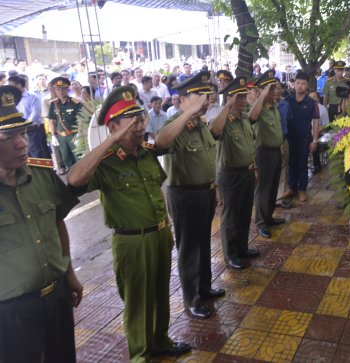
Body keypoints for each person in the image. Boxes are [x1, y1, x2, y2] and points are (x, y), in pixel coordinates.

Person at [67, 86, 191, 361]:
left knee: (160, 294)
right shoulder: (105, 162)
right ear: (113, 127)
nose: (138, 125)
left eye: (140, 117)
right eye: (130, 121)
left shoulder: (146, 153)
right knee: (138, 303)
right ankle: (141, 355)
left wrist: (167, 226)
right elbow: (74, 180)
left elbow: (159, 189)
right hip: (131, 242)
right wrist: (112, 141)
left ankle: (160, 341)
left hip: (159, 234)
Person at [0, 85, 82, 363]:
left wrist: (69, 273)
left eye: (22, 132)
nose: (22, 142)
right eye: (8, 136)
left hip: (57, 295)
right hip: (12, 310)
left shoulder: (41, 172)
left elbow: (58, 223)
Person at [155, 72, 226, 320]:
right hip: (184, 195)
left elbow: (207, 159)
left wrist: (214, 189)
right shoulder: (175, 124)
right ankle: (192, 299)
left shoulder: (200, 124)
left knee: (203, 243)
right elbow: (160, 143)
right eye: (199, 95)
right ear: (182, 99)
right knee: (189, 248)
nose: (206, 99)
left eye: (206, 95)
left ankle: (204, 288)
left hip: (204, 192)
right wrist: (187, 113)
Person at [209, 76, 259, 270]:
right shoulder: (223, 119)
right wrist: (227, 106)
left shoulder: (244, 119)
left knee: (245, 213)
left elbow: (250, 145)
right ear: (229, 98)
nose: (243, 100)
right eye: (238, 97)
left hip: (247, 172)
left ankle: (242, 248)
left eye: (243, 96)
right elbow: (214, 131)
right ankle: (230, 254)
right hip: (230, 175)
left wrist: (254, 167)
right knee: (230, 216)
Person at [249, 70, 286, 239]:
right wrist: (262, 95)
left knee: (272, 187)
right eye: (272, 88)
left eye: (277, 87)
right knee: (263, 189)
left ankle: (269, 216)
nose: (276, 91)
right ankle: (261, 222)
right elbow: (252, 116)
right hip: (263, 153)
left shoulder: (274, 106)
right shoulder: (259, 106)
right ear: (263, 90)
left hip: (275, 151)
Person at [282, 71, 320, 202]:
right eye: (297, 83)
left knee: (302, 164)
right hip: (288, 139)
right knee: (291, 164)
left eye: (303, 83)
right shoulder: (287, 101)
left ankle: (302, 189)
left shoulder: (311, 103)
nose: (300, 86)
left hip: (304, 139)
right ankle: (291, 188)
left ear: (307, 85)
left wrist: (315, 140)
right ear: (293, 84)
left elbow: (316, 122)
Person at [8, 74, 50, 158]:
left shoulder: (32, 97)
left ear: (19, 85)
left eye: (11, 85)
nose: (10, 88)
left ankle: (40, 171)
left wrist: (24, 125)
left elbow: (34, 115)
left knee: (36, 152)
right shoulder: (10, 98)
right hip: (18, 130)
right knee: (23, 153)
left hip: (32, 129)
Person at [47, 77, 81, 171]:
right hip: (61, 137)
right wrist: (53, 136)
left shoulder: (75, 103)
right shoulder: (54, 104)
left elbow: (81, 120)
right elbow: (52, 121)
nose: (60, 91)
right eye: (58, 89)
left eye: (63, 89)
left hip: (74, 135)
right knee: (67, 160)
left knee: (79, 159)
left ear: (67, 89)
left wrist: (80, 134)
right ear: (54, 90)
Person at [310, 91, 329, 173]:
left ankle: (316, 164)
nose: (312, 99)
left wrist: (315, 132)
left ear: (318, 98)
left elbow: (326, 126)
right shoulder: (306, 108)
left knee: (315, 139)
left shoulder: (322, 109)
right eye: (310, 97)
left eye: (314, 97)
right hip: (309, 131)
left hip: (320, 132)